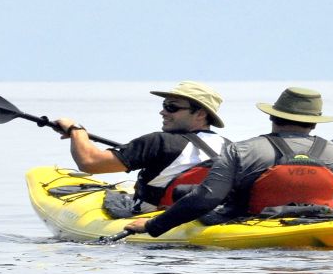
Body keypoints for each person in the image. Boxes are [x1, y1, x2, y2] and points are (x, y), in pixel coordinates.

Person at [124, 87, 333, 237]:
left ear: (272, 116)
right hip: (323, 226)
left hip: (253, 230)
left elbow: (207, 198)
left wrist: (152, 226)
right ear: (315, 123)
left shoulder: (241, 150)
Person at [54, 81, 229, 211]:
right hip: (209, 216)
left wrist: (76, 130)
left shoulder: (158, 142)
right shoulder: (231, 148)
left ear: (200, 114)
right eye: (164, 105)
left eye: (172, 107)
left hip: (153, 218)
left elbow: (89, 162)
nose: (163, 112)